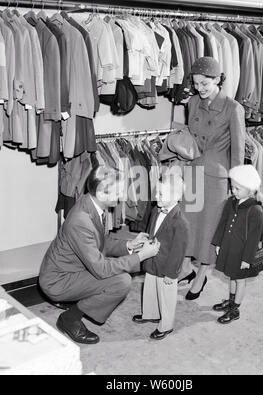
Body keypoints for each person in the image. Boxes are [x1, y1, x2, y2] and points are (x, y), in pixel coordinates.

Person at [39, 166, 160, 344]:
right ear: (102, 193)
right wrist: (140, 256)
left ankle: (78, 303)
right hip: (58, 280)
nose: (121, 196)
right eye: (118, 191)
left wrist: (129, 245)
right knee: (121, 281)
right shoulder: (81, 220)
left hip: (71, 269)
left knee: (116, 272)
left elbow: (100, 240)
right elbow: (101, 269)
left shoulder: (90, 203)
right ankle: (69, 319)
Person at [179, 56, 246, 300]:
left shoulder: (233, 108)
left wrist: (237, 185)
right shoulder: (192, 103)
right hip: (194, 169)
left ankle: (202, 273)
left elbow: (238, 151)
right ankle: (186, 267)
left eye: (205, 83)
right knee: (188, 224)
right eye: (196, 83)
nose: (200, 88)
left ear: (218, 79)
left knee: (209, 230)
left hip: (217, 178)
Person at [132, 175, 189, 340]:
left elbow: (179, 251)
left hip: (167, 267)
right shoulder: (156, 211)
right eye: (157, 192)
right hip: (153, 260)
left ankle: (166, 325)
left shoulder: (181, 222)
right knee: (149, 289)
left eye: (161, 194)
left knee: (166, 297)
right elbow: (152, 233)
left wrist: (172, 274)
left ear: (176, 197)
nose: (156, 196)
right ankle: (150, 313)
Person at [212, 165, 263, 324]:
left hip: (243, 253)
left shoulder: (255, 210)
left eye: (237, 188)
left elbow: (254, 238)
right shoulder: (231, 202)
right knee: (231, 276)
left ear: (250, 189)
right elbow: (223, 223)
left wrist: (246, 259)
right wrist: (218, 242)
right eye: (232, 187)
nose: (233, 191)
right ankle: (231, 300)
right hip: (229, 248)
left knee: (240, 280)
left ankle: (235, 309)